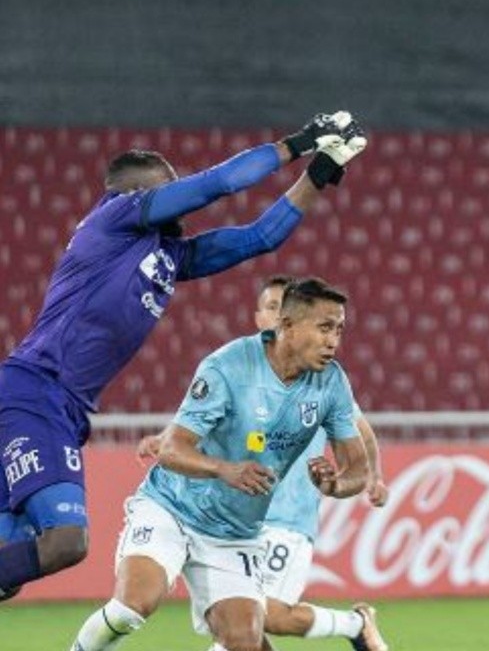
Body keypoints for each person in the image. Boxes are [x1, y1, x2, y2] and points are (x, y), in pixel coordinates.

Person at [0, 112, 367, 601]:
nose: (178, 194)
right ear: (133, 193)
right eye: (166, 187)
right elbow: (217, 184)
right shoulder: (113, 221)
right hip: (35, 392)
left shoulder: (169, 257)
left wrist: (319, 171)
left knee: (15, 562)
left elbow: (261, 237)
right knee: (66, 542)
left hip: (60, 409)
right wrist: (300, 141)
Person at [68, 277, 386, 651]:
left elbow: (358, 471)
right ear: (286, 326)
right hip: (173, 508)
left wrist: (334, 484)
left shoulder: (331, 384)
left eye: (339, 329)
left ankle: (355, 627)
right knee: (132, 607)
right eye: (324, 327)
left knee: (245, 643)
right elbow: (171, 450)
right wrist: (226, 469)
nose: (334, 340)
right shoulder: (229, 366)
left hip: (234, 532)